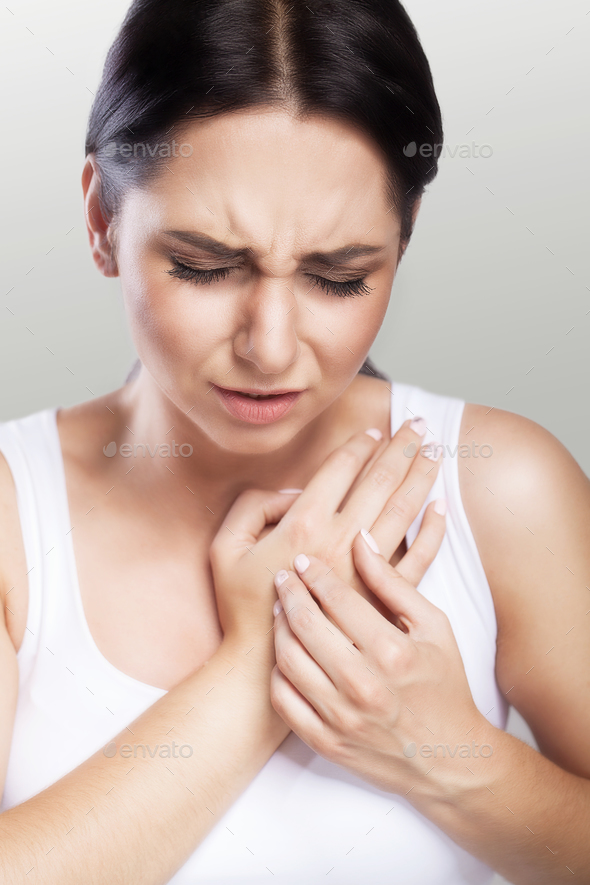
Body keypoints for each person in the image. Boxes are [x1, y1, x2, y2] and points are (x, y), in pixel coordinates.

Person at [0, 1, 589, 883]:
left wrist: (452, 753)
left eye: (338, 276)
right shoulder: (14, 516)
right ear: (100, 218)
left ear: (407, 233)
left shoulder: (502, 490)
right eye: (204, 265)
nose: (270, 346)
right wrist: (254, 671)